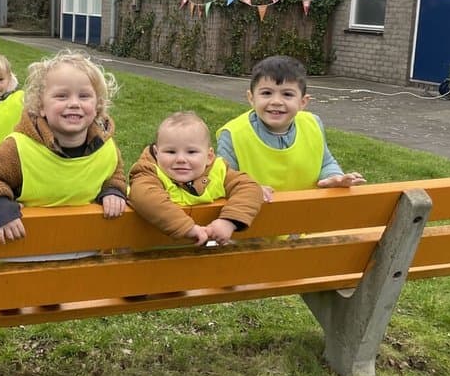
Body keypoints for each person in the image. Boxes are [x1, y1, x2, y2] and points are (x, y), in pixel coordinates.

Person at [0, 50, 127, 251]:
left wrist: (113, 191)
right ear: (40, 106)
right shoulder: (19, 148)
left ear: (97, 105)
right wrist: (0, 205)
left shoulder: (106, 149)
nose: (74, 103)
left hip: (86, 254)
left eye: (84, 96)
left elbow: (115, 174)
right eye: (61, 96)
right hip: (25, 256)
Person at [216, 55, 365, 202]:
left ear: (303, 102)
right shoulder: (232, 135)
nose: (276, 101)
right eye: (266, 93)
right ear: (251, 98)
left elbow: (325, 162)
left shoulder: (313, 124)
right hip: (256, 219)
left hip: (305, 217)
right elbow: (223, 180)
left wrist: (333, 177)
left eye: (287, 94)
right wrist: (246, 189)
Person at [128, 111, 263, 246]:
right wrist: (187, 228)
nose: (180, 159)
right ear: (157, 154)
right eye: (170, 152)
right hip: (150, 260)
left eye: (191, 152)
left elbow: (249, 187)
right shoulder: (148, 174)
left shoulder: (219, 172)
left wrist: (229, 221)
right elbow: (145, 196)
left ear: (209, 156)